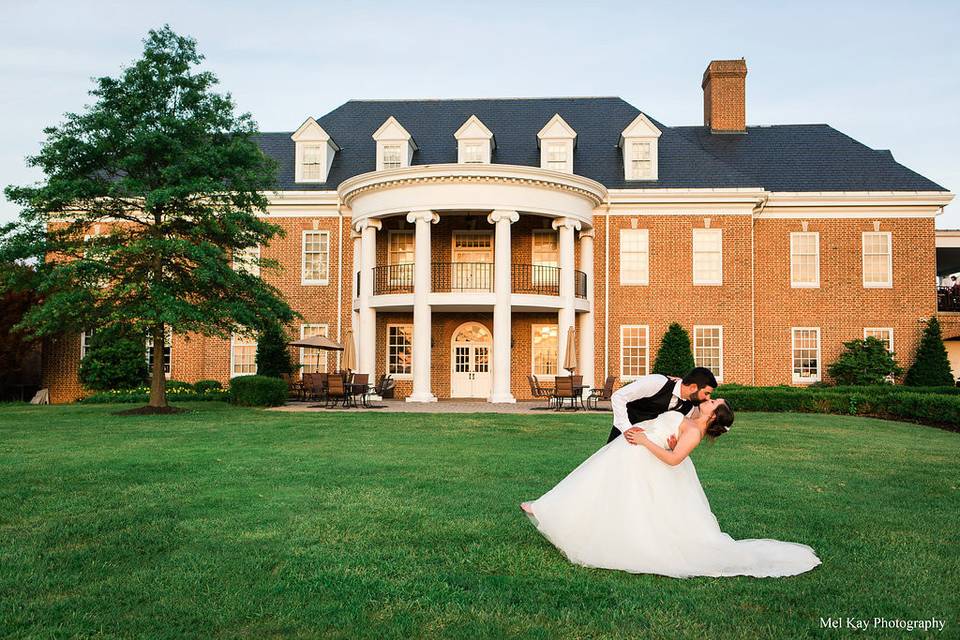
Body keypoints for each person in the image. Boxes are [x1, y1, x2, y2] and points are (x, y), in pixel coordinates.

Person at [520, 400, 821, 578]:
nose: (710, 399)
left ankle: (550, 510)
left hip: (646, 457)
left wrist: (645, 442)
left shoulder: (696, 431)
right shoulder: (689, 419)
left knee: (609, 488)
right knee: (599, 481)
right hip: (637, 454)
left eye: (714, 403)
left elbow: (675, 460)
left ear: (714, 416)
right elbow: (670, 433)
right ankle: (549, 508)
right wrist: (647, 432)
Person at [606, 367, 717, 444]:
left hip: (648, 450)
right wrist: (627, 429)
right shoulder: (657, 382)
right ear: (693, 387)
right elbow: (618, 396)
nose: (707, 398)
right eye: (706, 393)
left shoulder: (688, 407)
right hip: (621, 437)